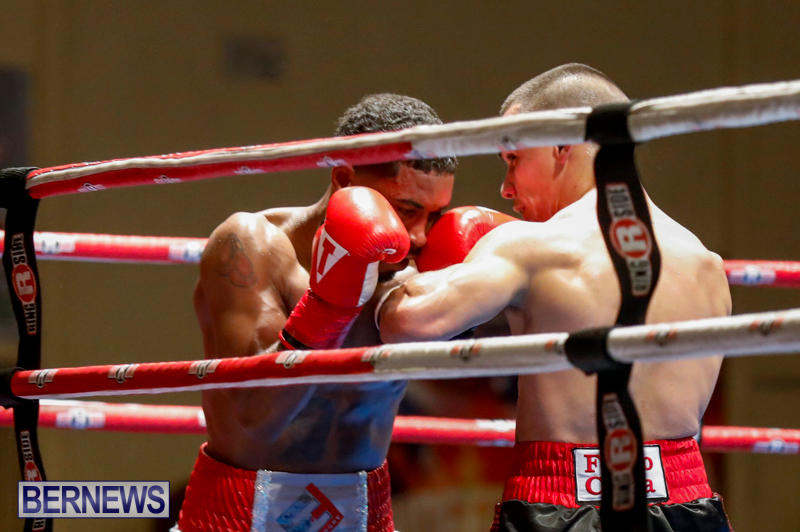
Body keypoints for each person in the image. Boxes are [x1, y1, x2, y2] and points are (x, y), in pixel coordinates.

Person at [377, 64, 733, 531]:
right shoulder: (707, 264)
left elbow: (406, 321)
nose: (506, 188)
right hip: (686, 501)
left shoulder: (531, 247)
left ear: (561, 144)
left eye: (513, 158)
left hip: (563, 500)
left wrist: (388, 255)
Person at [177, 93, 457, 532]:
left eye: (434, 215)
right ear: (345, 178)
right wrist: (328, 305)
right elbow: (255, 415)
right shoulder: (252, 244)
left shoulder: (414, 262)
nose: (419, 236)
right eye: (407, 210)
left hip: (366, 511)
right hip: (242, 510)